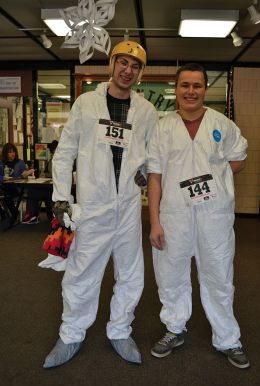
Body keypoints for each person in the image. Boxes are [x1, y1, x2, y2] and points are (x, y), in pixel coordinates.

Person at [42, 40, 158, 368]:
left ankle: (120, 329)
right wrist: (61, 198)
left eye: (135, 66)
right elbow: (65, 152)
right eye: (123, 62)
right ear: (112, 64)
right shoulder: (86, 104)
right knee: (81, 273)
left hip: (129, 208)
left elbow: (149, 158)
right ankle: (71, 334)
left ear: (140, 73)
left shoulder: (146, 111)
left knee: (131, 273)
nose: (128, 70)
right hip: (93, 205)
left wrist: (141, 179)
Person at [147, 63, 250, 369]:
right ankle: (174, 328)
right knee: (170, 273)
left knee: (218, 275)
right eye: (185, 85)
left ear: (205, 89)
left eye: (197, 86)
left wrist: (215, 178)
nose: (190, 91)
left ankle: (228, 338)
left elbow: (239, 159)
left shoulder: (223, 124)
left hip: (213, 215)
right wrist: (154, 221)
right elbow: (154, 176)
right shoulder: (162, 128)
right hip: (173, 214)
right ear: (175, 89)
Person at [22, 140, 58, 224]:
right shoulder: (52, 160)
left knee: (33, 192)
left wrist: (45, 175)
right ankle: (32, 214)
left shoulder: (58, 160)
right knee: (33, 190)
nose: (54, 152)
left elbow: (52, 174)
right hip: (51, 187)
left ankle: (32, 215)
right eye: (53, 150)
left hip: (54, 188)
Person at [0, 143, 28, 224]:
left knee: (6, 195)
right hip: (3, 187)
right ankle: (3, 213)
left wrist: (25, 174)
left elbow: (25, 175)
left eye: (13, 152)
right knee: (5, 194)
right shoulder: (1, 163)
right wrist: (2, 178)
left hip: (16, 187)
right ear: (5, 153)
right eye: (10, 152)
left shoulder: (20, 163)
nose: (12, 154)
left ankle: (14, 214)